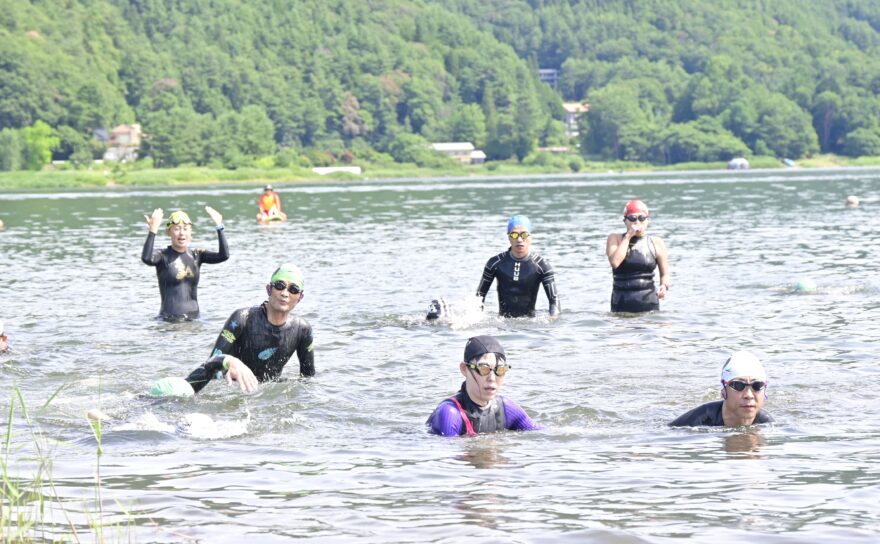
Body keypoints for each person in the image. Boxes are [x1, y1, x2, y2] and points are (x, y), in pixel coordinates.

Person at [180, 263, 315, 394]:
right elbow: (210, 364)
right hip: (232, 388)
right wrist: (229, 361)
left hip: (266, 391)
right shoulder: (242, 318)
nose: (285, 293)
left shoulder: (302, 330)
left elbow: (308, 380)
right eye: (280, 286)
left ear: (300, 297)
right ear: (269, 289)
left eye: (293, 289)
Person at [427, 335, 540, 436]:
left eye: (500, 370)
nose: (492, 378)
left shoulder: (505, 408)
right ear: (464, 369)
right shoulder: (450, 413)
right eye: (483, 369)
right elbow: (448, 455)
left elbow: (544, 435)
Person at [141, 206, 229, 321]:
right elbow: (146, 258)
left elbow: (224, 255)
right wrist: (153, 230)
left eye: (185, 228)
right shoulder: (162, 256)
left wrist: (219, 226)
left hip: (194, 320)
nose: (182, 233)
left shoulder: (197, 255)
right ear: (169, 232)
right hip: (169, 322)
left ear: (190, 231)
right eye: (177, 229)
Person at [476, 215, 561, 318]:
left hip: (530, 326)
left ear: (530, 237)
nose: (520, 239)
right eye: (514, 235)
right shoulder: (495, 263)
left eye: (524, 234)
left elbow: (554, 300)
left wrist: (553, 319)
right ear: (509, 237)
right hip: (503, 325)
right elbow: (479, 296)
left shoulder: (542, 266)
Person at [669, 351, 773, 427]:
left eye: (757, 385)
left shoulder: (767, 424)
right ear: (723, 392)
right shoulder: (696, 421)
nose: (749, 395)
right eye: (738, 385)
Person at [605, 199, 670, 313]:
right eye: (632, 218)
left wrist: (664, 286)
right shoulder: (615, 239)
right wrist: (628, 236)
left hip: (649, 303)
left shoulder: (657, 242)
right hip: (622, 303)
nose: (637, 222)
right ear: (625, 221)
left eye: (641, 218)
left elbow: (665, 274)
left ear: (647, 220)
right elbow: (615, 262)